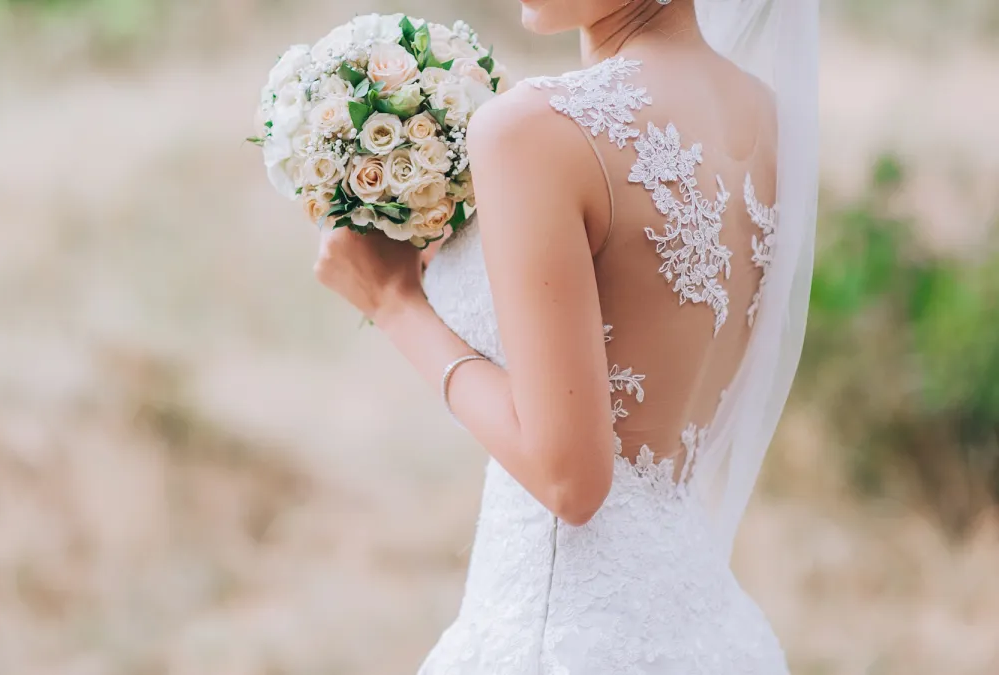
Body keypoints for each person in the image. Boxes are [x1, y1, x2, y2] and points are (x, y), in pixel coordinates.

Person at [311, 0, 819, 671]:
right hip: (705, 626)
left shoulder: (534, 131)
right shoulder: (769, 117)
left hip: (561, 637)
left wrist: (396, 303)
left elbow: (570, 480)